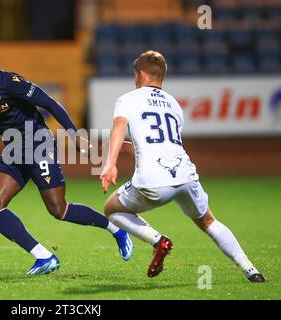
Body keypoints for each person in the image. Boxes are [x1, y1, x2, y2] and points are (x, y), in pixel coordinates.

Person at [0, 40, 133, 275]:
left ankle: (116, 229)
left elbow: (50, 103)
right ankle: (44, 257)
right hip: (13, 148)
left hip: (37, 143)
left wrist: (74, 135)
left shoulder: (8, 82)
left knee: (59, 210)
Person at [100, 50, 267, 283]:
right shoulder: (174, 105)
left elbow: (119, 127)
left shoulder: (128, 99)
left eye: (135, 75)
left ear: (141, 74)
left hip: (153, 182)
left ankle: (158, 241)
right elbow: (160, 145)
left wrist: (110, 164)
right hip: (186, 176)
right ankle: (251, 270)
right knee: (209, 222)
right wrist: (121, 149)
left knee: (112, 209)